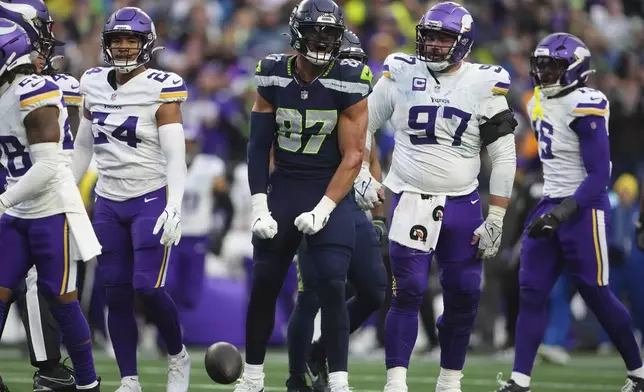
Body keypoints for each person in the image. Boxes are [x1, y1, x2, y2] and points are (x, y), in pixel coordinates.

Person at [360, 2, 518, 391]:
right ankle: (396, 382)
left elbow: (504, 154)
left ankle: (450, 379)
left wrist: (496, 217)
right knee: (408, 290)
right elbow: (361, 126)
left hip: (463, 203)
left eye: (443, 38)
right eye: (428, 36)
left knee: (464, 295)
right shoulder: (399, 72)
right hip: (409, 196)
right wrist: (361, 173)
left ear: (462, 42)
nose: (432, 45)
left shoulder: (483, 83)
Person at [495, 32, 644, 392]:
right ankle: (519, 381)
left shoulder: (587, 103)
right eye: (541, 64)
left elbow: (599, 174)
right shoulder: (535, 102)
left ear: (576, 70)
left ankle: (639, 373)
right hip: (550, 201)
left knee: (596, 292)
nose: (544, 72)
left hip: (583, 208)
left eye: (554, 66)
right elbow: (549, 152)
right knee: (530, 290)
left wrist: (562, 213)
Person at [237, 0, 371, 390]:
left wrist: (325, 207)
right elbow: (258, 145)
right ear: (296, 31)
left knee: (331, 283)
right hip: (286, 186)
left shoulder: (350, 76)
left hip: (328, 188)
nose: (321, 39)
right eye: (315, 31)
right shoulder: (273, 72)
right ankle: (253, 378)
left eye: (329, 33)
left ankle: (339, 381)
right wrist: (259, 204)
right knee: (264, 282)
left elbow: (354, 156)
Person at [71, 7, 191, 392]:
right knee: (114, 291)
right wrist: (68, 195)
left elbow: (176, 156)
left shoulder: (161, 85)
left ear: (146, 45)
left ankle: (177, 355)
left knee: (148, 288)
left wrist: (174, 205)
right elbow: (83, 147)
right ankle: (129, 379)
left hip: (149, 195)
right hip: (107, 197)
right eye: (117, 40)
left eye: (132, 40)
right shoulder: (91, 82)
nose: (123, 47)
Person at [0, 19, 101, 392]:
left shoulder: (35, 90)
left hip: (49, 210)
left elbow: (48, 165)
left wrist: (3, 200)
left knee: (61, 298)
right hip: (16, 210)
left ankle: (88, 383)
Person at [285, 29, 387, 392]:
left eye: (357, 61)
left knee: (375, 291)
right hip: (316, 203)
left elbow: (371, 157)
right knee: (313, 294)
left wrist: (377, 217)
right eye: (346, 60)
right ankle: (296, 377)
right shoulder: (311, 100)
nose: (352, 68)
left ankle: (319, 352)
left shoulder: (361, 100)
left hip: (352, 210)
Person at [166, 127, 228, 313]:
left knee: (191, 294)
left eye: (191, 142)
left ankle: (178, 328)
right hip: (170, 236)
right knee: (167, 285)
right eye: (185, 142)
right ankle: (163, 330)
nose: (188, 146)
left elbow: (223, 193)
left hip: (197, 236)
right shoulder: (164, 164)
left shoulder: (210, 166)